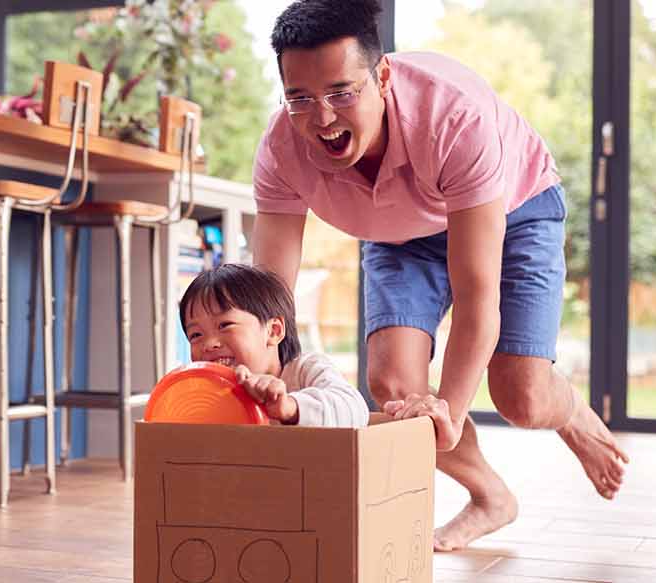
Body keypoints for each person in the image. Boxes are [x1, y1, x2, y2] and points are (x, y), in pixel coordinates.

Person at [252, 0, 630, 551]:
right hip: (401, 236)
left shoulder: (455, 118)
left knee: (520, 397)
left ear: (382, 75)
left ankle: (569, 409)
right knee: (396, 388)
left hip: (514, 209)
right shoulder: (282, 150)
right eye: (300, 99)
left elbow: (478, 297)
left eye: (341, 93)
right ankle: (489, 495)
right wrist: (258, 389)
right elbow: (270, 304)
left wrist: (449, 408)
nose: (323, 118)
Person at [179, 264, 369, 428]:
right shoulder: (205, 395)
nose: (209, 344)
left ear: (273, 331)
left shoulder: (304, 371)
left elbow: (356, 409)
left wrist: (290, 407)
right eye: (196, 335)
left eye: (224, 325)